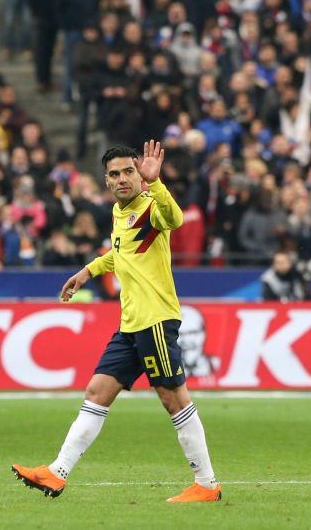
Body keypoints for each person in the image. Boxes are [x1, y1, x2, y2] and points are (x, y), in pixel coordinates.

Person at [12, 141, 221, 503]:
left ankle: (206, 483)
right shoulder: (117, 212)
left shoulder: (151, 207)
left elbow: (174, 219)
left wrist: (156, 184)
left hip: (155, 320)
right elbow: (120, 253)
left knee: (175, 400)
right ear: (106, 180)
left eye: (129, 171)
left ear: (140, 172)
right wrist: (87, 271)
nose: (123, 179)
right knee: (97, 392)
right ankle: (57, 472)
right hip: (131, 324)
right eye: (115, 174)